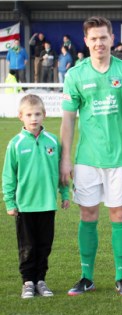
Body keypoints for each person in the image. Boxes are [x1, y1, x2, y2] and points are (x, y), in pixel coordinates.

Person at [60, 16, 122, 297]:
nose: (99, 43)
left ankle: (121, 277)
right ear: (86, 41)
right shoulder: (75, 74)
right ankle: (87, 276)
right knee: (88, 214)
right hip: (86, 159)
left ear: (111, 39)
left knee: (119, 215)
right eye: (93, 39)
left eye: (103, 38)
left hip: (120, 159)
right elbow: (68, 120)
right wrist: (66, 158)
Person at [2, 94, 70, 299]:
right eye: (29, 114)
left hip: (48, 204)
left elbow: (61, 172)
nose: (34, 118)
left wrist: (65, 194)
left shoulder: (52, 142)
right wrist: (9, 201)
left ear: (45, 115)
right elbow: (8, 175)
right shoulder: (15, 144)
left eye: (38, 114)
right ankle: (28, 282)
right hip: (25, 205)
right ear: (20, 116)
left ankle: (41, 280)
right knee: (27, 246)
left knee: (44, 245)